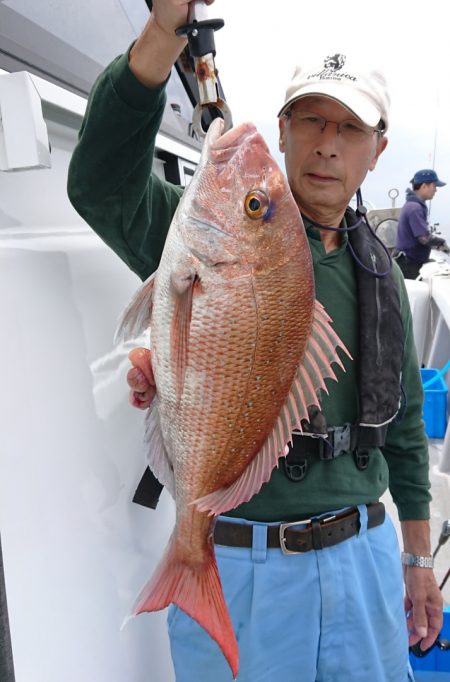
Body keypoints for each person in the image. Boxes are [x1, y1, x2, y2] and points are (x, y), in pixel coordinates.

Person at [67, 2, 443, 680]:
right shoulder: (211, 238)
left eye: (350, 127)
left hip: (367, 562)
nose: (328, 143)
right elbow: (100, 182)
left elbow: (408, 432)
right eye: (311, 120)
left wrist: (418, 561)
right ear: (285, 129)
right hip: (240, 566)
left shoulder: (381, 269)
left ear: (378, 148)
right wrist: (160, 37)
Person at [395, 169, 450, 279]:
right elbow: (424, 238)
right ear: (424, 186)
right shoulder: (415, 208)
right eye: (434, 186)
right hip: (409, 265)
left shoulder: (413, 205)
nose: (436, 190)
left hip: (411, 261)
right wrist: (444, 246)